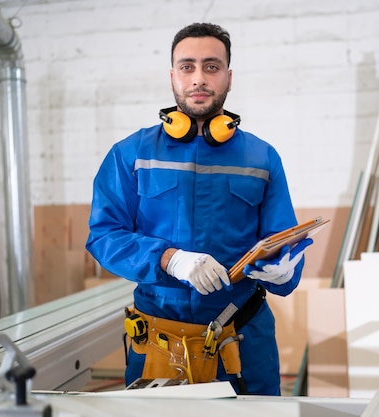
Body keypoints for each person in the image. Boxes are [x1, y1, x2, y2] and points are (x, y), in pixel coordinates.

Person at [86, 22, 312, 396]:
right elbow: (104, 236)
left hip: (242, 338)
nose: (199, 78)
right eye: (187, 66)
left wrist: (285, 269)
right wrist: (170, 259)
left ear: (228, 76)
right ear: (172, 75)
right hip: (158, 341)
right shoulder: (132, 154)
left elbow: (281, 240)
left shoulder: (262, 157)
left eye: (211, 66)